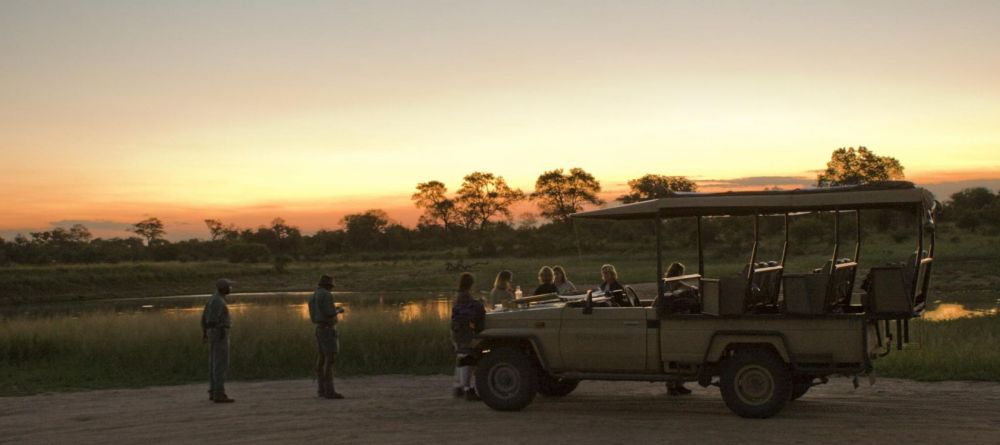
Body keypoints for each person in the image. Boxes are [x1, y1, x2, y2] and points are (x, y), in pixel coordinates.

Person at [309, 274, 345, 399]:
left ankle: (321, 390)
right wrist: (339, 310)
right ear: (329, 285)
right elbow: (329, 313)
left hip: (319, 329)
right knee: (330, 359)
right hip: (328, 330)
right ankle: (330, 391)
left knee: (321, 358)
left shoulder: (313, 295)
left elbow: (317, 314)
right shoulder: (327, 295)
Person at [451, 272, 486, 401]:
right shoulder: (465, 296)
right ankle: (467, 389)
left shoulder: (458, 296)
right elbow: (472, 310)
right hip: (465, 331)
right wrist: (481, 303)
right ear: (471, 284)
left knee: (461, 356)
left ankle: (458, 386)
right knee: (467, 357)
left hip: (457, 330)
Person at [201, 278, 235, 403]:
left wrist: (205, 333)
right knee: (220, 364)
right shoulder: (218, 301)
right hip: (219, 334)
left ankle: (213, 391)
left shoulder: (212, 299)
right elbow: (211, 320)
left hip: (214, 334)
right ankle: (219, 393)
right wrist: (219, 332)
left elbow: (204, 318)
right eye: (229, 287)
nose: (231, 289)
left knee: (214, 364)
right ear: (223, 288)